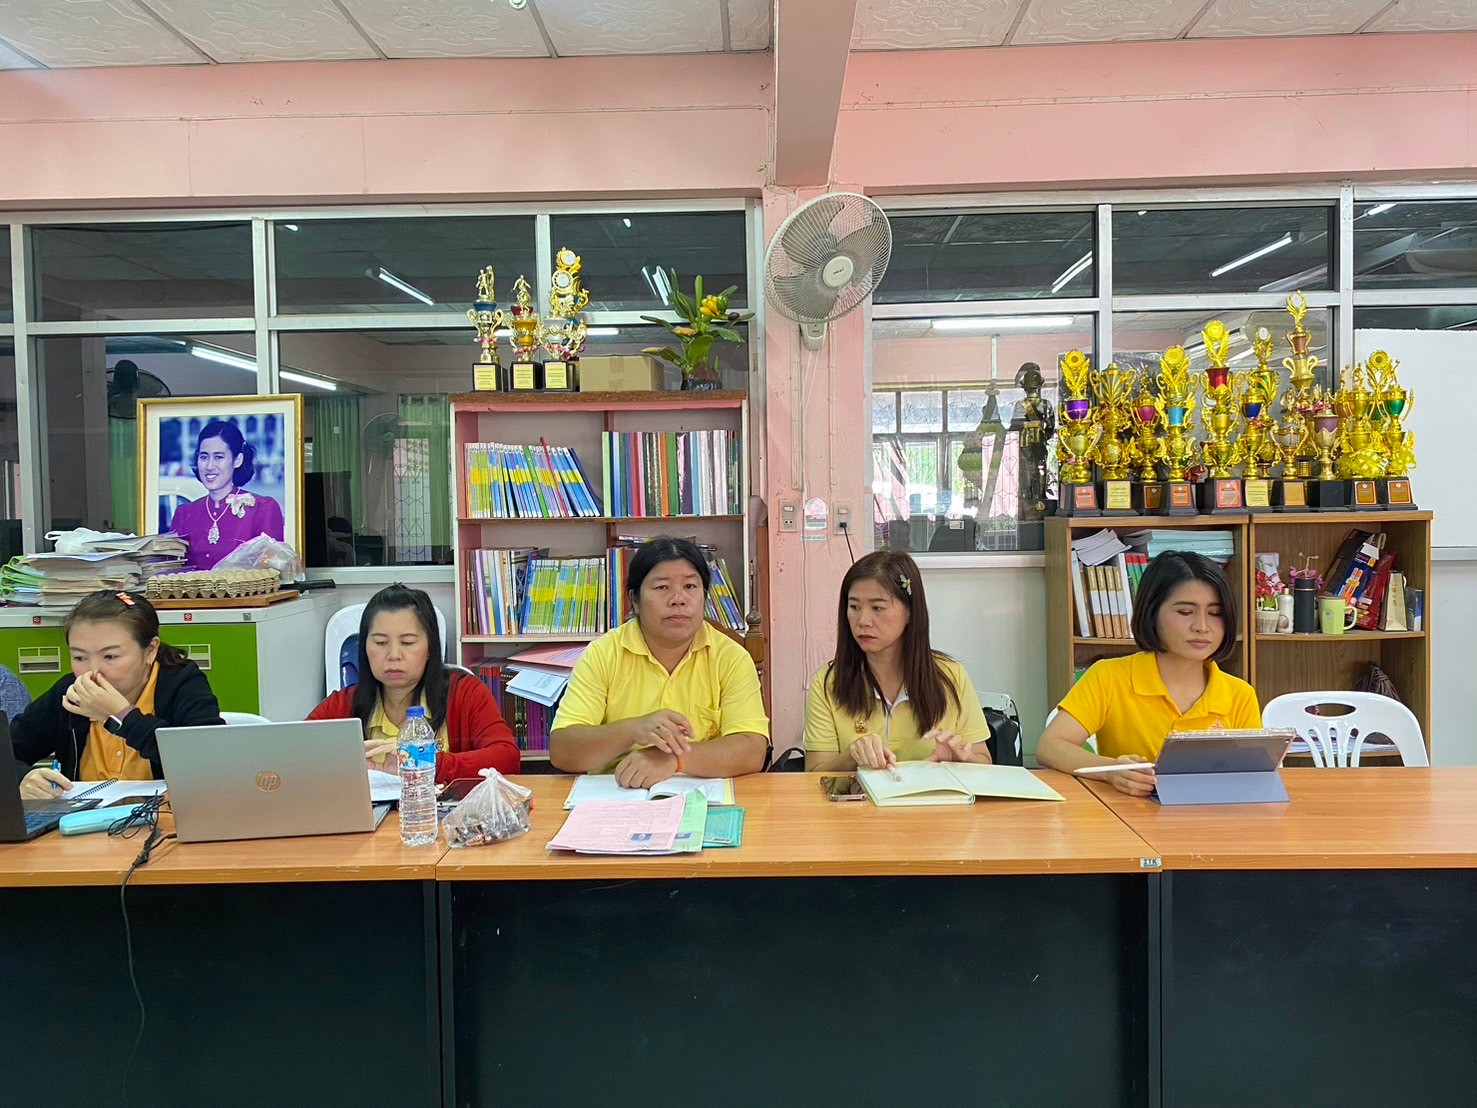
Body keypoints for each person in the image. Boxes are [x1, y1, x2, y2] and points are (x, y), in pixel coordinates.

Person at [1036, 550, 1262, 797]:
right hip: (1128, 815)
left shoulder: (1240, 694)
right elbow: (1051, 746)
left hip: (1213, 815)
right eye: (1185, 612)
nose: (1202, 626)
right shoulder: (1109, 676)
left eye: (1215, 613)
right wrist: (1111, 771)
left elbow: (1254, 776)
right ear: (1152, 612)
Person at [549, 536, 769, 787]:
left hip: (703, 796)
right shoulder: (603, 654)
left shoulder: (730, 657)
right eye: (662, 587)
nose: (678, 599)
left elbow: (752, 749)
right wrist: (633, 730)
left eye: (690, 586)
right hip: (618, 793)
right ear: (635, 600)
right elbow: (563, 750)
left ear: (704, 597)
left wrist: (676, 759)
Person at [8, 591, 224, 798]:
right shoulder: (70, 692)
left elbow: (211, 764)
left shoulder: (182, 683)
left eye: (110, 656)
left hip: (166, 817)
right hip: (86, 819)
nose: (93, 672)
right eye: (80, 658)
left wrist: (121, 715)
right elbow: (7, 752)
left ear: (150, 650)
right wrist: (22, 778)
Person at [309, 584, 519, 783]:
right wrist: (343, 763)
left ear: (430, 648)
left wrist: (425, 763)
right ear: (365, 647)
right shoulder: (343, 704)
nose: (394, 655)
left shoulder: (465, 693)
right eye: (380, 642)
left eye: (407, 642)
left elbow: (507, 757)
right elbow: (296, 755)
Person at [805, 550, 991, 771]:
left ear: (910, 612)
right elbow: (813, 776)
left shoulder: (951, 676)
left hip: (932, 795)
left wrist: (961, 760)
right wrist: (851, 756)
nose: (863, 621)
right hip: (858, 795)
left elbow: (985, 763)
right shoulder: (827, 684)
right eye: (854, 607)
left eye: (878, 608)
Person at [170, 419, 286, 571]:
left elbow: (272, 571)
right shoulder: (184, 514)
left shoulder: (263, 509)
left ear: (237, 460)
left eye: (218, 457)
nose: (209, 466)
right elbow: (172, 570)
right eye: (204, 457)